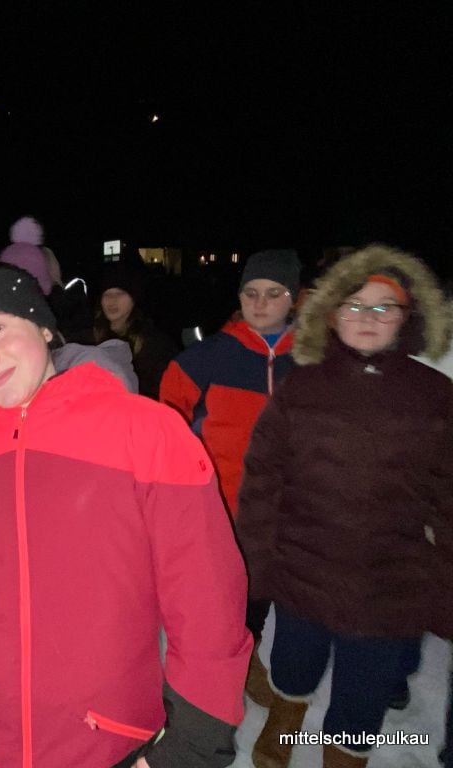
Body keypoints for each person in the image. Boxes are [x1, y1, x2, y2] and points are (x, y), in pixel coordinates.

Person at [0, 265, 251, 768]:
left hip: (107, 740)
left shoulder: (147, 431)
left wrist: (194, 740)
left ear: (43, 327)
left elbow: (206, 596)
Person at [236, 244, 453, 768]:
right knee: (293, 662)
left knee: (364, 688)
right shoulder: (301, 388)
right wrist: (258, 563)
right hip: (303, 571)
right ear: (333, 314)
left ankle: (345, 754)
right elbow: (263, 481)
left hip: (389, 585)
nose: (368, 317)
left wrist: (444, 583)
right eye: (355, 304)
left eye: (384, 306)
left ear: (407, 316)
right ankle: (287, 716)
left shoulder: (435, 395)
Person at [159, 248, 301, 706]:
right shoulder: (209, 356)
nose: (260, 303)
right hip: (220, 503)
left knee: (260, 593)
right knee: (214, 594)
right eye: (251, 293)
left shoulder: (314, 359)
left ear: (293, 298)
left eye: (273, 293)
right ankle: (205, 670)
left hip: (283, 508)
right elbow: (167, 422)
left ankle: (248, 656)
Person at [94, 261, 180, 399]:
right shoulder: (90, 338)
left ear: (134, 299)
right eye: (107, 294)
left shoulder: (155, 344)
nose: (112, 300)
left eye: (120, 293)